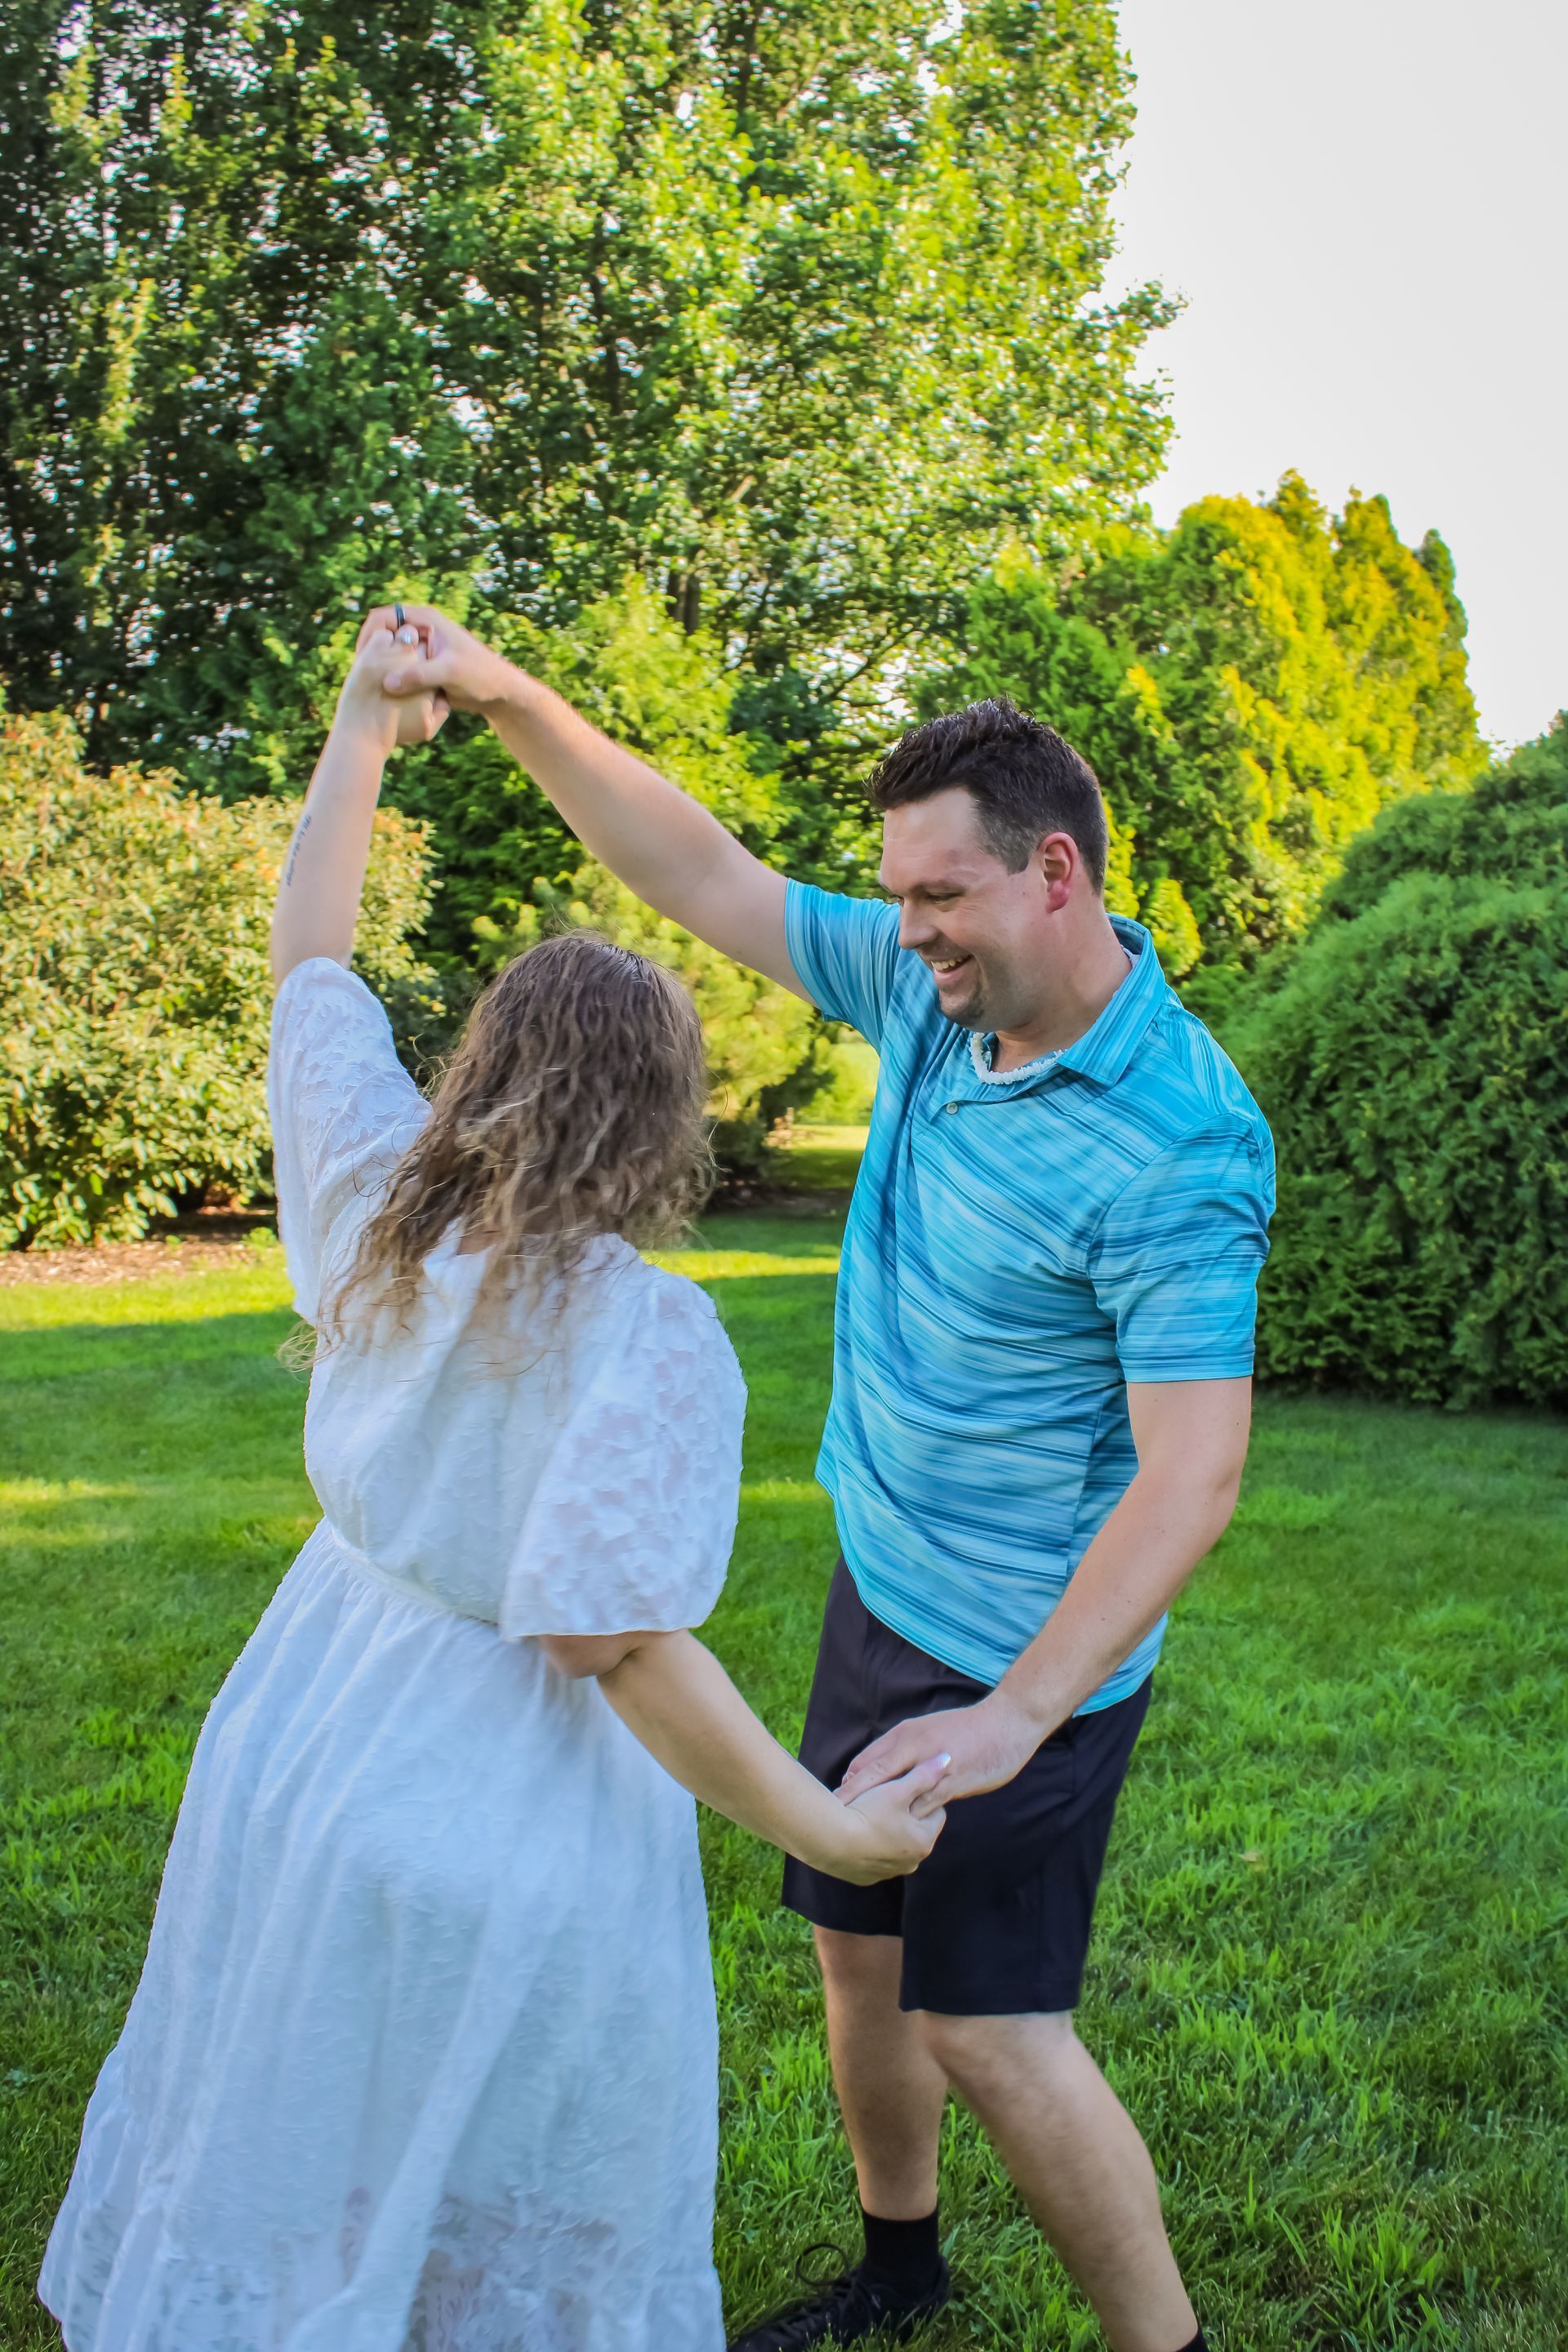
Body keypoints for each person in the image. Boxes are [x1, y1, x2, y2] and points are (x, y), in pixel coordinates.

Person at [372, 605, 1276, 2352]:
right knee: (857, 1959)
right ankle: (900, 2265)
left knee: (992, 2032)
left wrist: (1021, 1713)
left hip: (1033, 1643)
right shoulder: (937, 999)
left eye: (938, 895)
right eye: (900, 894)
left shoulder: (1180, 1140)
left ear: (1055, 874)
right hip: (890, 1579)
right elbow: (697, 866)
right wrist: (498, 691)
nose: (907, 928)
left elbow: (1194, 1476)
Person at [38, 622, 947, 2352]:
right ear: (663, 1116)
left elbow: (309, 959)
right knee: (509, 2131)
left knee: (306, 2097)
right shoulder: (650, 1334)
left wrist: (360, 728)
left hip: (305, 1732)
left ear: (483, 1062)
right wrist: (837, 1830)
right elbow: (608, 1642)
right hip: (509, 1802)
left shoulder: (377, 1198)